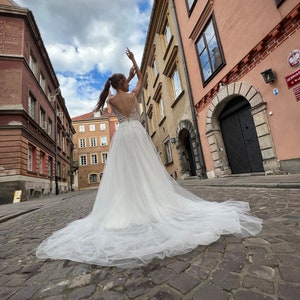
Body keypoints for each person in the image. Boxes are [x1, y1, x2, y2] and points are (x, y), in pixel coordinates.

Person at [36, 48, 262, 268]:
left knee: (127, 173)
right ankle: (151, 201)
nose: (128, 82)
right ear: (123, 83)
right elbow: (141, 80)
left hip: (123, 136)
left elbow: (121, 89)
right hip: (136, 133)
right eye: (125, 80)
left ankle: (131, 205)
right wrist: (134, 62)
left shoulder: (111, 102)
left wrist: (126, 77)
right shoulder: (133, 95)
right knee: (146, 169)